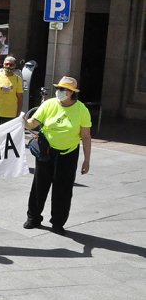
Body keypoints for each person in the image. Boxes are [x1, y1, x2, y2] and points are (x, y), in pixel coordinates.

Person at [23, 76, 91, 235]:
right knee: (39, 185)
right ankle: (33, 217)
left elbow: (86, 136)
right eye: (58, 88)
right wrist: (23, 121)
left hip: (68, 154)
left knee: (63, 189)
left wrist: (87, 160)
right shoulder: (48, 104)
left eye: (63, 89)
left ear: (72, 93)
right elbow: (33, 123)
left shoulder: (82, 110)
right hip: (46, 151)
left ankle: (58, 222)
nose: (59, 91)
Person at [0, 56, 23, 128]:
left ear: (15, 66)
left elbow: (20, 98)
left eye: (11, 65)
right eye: (6, 64)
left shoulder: (18, 79)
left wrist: (18, 113)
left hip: (10, 114)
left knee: (6, 137)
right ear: (3, 64)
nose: (8, 66)